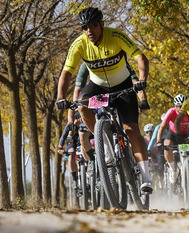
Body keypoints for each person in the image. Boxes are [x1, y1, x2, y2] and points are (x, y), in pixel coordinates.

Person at [55, 7, 152, 193]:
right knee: (82, 106)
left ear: (102, 24)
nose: (89, 30)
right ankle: (104, 142)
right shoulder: (79, 44)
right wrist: (60, 97)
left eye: (92, 25)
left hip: (123, 86)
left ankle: (146, 177)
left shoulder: (115, 36)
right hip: (98, 88)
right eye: (84, 27)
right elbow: (66, 73)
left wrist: (141, 80)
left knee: (132, 131)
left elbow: (141, 58)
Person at [157, 94, 189, 183]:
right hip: (173, 134)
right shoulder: (171, 112)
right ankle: (173, 168)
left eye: (184, 106)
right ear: (176, 106)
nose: (182, 109)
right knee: (167, 146)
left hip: (185, 136)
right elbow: (162, 127)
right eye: (180, 107)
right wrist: (159, 141)